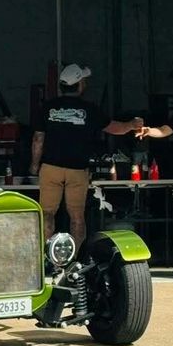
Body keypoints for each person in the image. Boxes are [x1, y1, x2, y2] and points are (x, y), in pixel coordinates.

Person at [29, 64, 141, 248]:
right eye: (84, 80)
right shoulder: (89, 109)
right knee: (77, 216)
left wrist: (34, 165)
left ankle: (46, 254)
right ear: (79, 84)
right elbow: (115, 128)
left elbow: (38, 139)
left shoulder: (47, 107)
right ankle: (76, 256)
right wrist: (131, 124)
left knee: (47, 213)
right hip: (77, 170)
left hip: (50, 168)